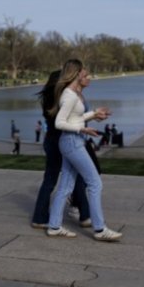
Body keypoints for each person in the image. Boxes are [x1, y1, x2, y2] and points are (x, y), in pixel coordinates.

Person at [47, 59, 121, 242]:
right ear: (76, 74)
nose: (88, 77)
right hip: (72, 142)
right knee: (95, 183)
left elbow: (75, 118)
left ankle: (54, 226)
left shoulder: (71, 94)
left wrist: (94, 114)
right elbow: (59, 123)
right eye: (85, 73)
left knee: (65, 187)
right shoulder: (70, 96)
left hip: (71, 141)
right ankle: (100, 229)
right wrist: (82, 129)